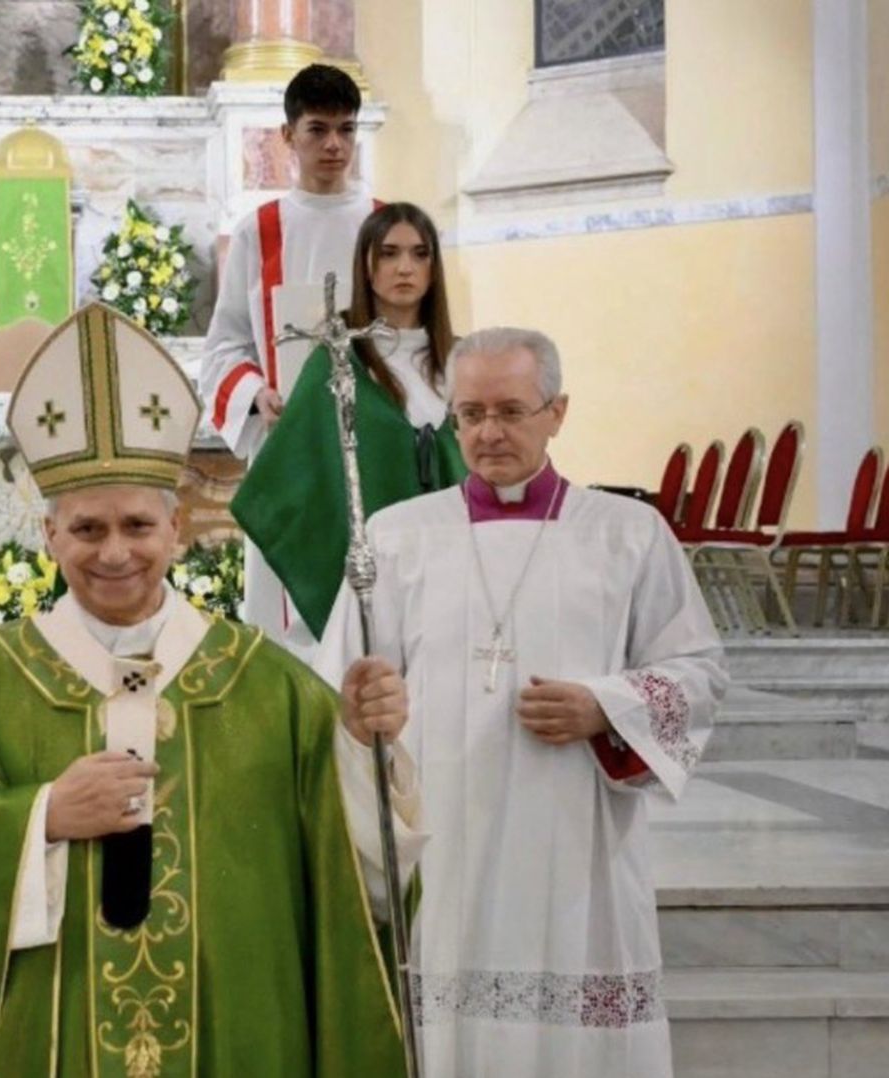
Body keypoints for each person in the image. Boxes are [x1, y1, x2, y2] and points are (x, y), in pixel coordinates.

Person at [0, 302, 420, 1078]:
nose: (115, 552)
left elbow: (355, 878)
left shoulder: (270, 688)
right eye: (88, 529)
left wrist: (369, 750)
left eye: (137, 525)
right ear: (49, 535)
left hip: (239, 1032)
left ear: (177, 530)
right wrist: (41, 818)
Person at [315, 327, 727, 1077]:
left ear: (557, 412)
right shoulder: (396, 538)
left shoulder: (627, 535)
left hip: (576, 845)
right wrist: (360, 708)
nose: (488, 432)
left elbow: (697, 672)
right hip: (446, 842)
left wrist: (608, 708)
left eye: (510, 409)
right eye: (469, 414)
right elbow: (339, 688)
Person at [199, 62, 378, 659]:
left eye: (347, 130)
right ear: (287, 137)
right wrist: (255, 394)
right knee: (289, 632)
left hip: (372, 447)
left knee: (375, 616)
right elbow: (225, 346)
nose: (334, 146)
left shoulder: (386, 225)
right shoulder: (261, 231)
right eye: (318, 129)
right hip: (290, 449)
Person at [232, 200, 465, 646]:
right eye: (389, 253)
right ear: (366, 266)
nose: (404, 268)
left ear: (434, 268)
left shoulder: (461, 360)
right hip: (373, 580)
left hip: (453, 574)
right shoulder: (338, 360)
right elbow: (282, 487)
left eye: (419, 254)